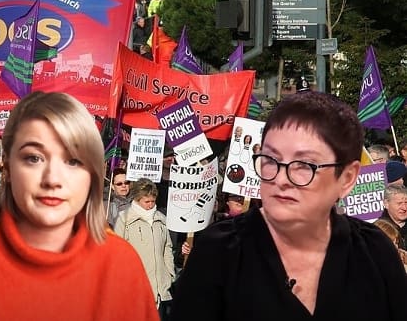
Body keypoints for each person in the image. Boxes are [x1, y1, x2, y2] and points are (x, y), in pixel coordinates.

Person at [0, 91, 159, 320]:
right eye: (34, 158)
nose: (52, 178)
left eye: (72, 161)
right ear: (6, 166)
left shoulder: (119, 263)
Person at [173, 91, 407, 320]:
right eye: (270, 159)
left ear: (347, 178)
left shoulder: (375, 251)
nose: (281, 178)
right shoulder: (219, 251)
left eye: (304, 165)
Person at [114, 179, 175, 320]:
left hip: (159, 288)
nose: (150, 205)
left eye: (153, 201)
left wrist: (169, 273)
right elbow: (117, 252)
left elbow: (167, 248)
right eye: (146, 202)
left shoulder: (161, 219)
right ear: (137, 199)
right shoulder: (124, 219)